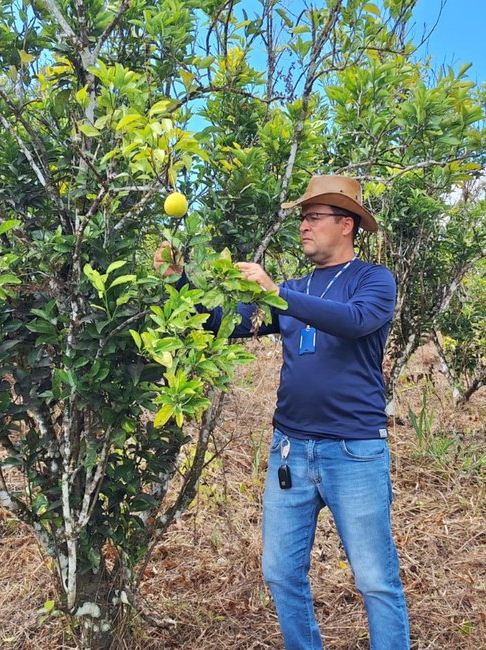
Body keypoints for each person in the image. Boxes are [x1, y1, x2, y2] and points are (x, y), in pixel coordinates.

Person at [156, 175, 410, 649]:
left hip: (354, 452)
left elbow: (355, 322)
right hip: (290, 452)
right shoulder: (294, 288)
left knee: (375, 580)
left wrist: (278, 293)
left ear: (346, 224)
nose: (305, 227)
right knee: (279, 574)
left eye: (314, 218)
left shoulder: (374, 281)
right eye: (303, 219)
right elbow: (223, 324)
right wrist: (179, 281)